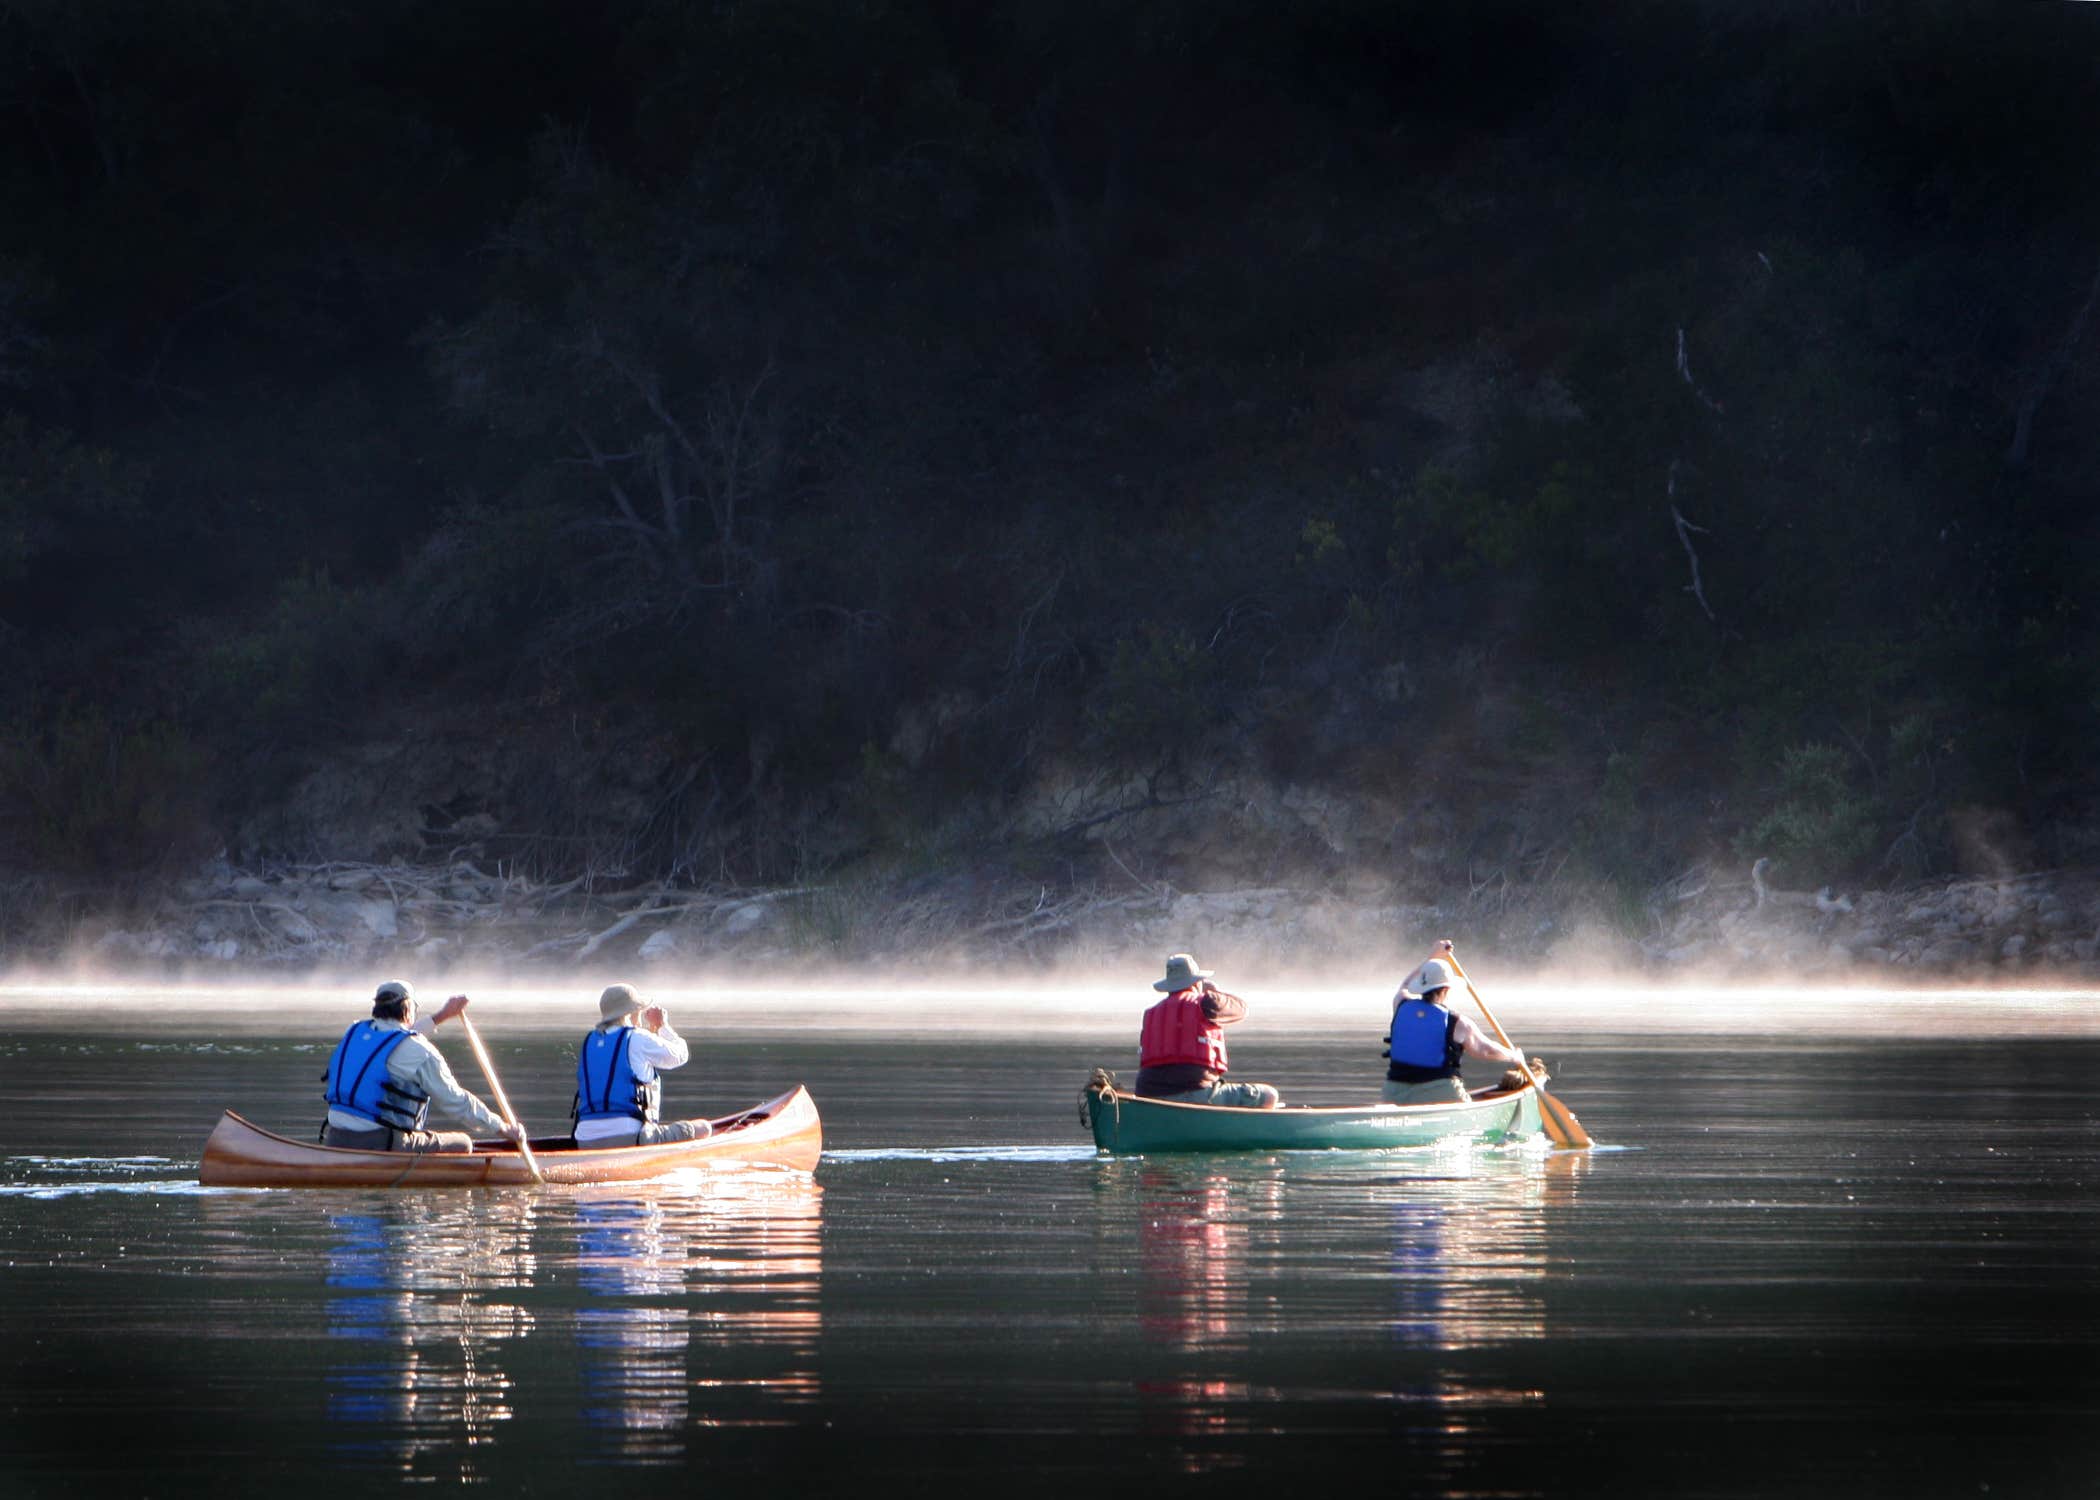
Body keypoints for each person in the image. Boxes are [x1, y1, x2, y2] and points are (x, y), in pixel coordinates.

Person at [320, 981, 522, 1152]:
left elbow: (396, 1043)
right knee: (464, 1143)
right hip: (383, 1143)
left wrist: (442, 1015)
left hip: (336, 1138)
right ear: (408, 1009)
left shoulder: (354, 1032)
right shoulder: (420, 1051)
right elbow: (457, 1102)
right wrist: (501, 1128)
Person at [572, 983, 716, 1149]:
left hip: (584, 1140)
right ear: (631, 1012)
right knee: (704, 1128)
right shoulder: (637, 1037)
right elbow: (680, 1055)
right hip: (631, 1138)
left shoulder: (590, 1041)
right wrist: (662, 1026)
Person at [1382, 943, 1527, 1104]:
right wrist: (1514, 1056)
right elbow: (1485, 1050)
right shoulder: (1457, 1023)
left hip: (1394, 1093)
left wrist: (1433, 956)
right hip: (1440, 1093)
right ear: (1446, 990)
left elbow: (1405, 985)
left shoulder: (1400, 1004)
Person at [1134, 953, 1282, 1108]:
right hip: (1196, 1094)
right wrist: (1215, 993)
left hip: (1147, 1096)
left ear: (1168, 986)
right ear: (1196, 982)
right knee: (1270, 1095)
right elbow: (1242, 1009)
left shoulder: (1151, 1013)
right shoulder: (1207, 1002)